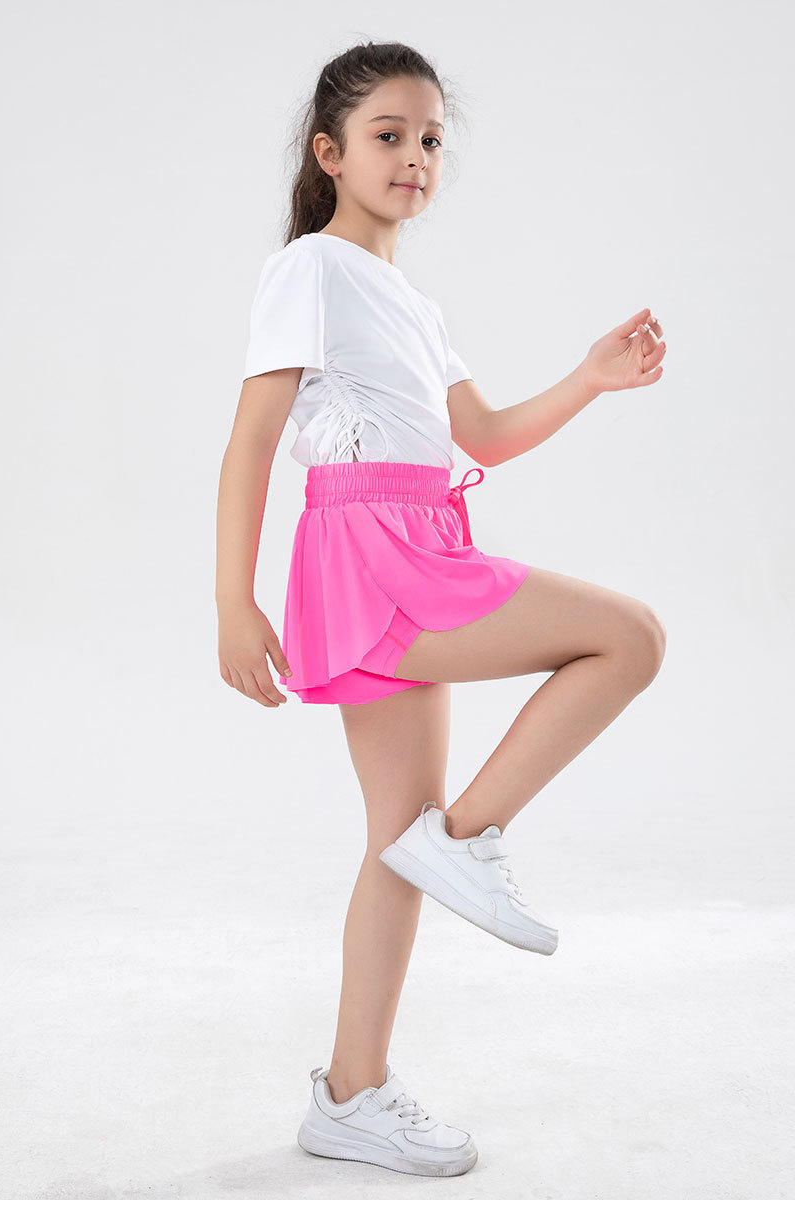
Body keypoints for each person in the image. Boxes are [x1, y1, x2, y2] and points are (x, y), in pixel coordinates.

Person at [215, 40, 667, 1180]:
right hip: (373, 552)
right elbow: (251, 440)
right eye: (388, 135)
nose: (414, 156)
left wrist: (589, 377)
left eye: (428, 139)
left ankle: (350, 1093)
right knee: (630, 636)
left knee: (395, 841)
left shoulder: (412, 301)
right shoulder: (311, 269)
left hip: (419, 538)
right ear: (329, 153)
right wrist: (232, 600)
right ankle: (467, 839)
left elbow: (485, 437)